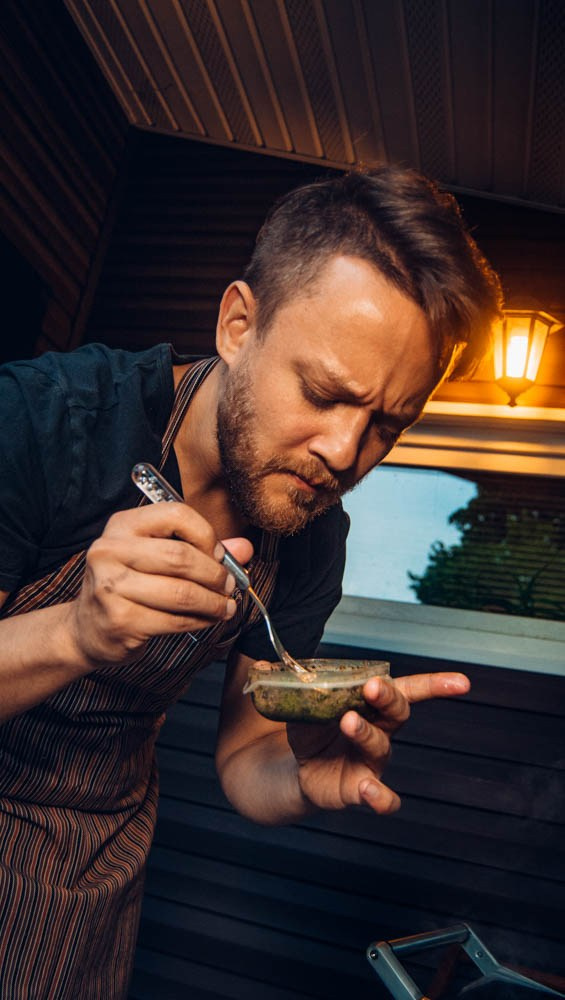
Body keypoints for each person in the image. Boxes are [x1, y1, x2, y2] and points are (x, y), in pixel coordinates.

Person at [0, 165, 502, 997]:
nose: (346, 454)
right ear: (238, 324)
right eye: (323, 392)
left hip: (88, 859)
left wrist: (301, 776)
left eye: (387, 423)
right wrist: (73, 632)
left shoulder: (310, 537)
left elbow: (243, 756)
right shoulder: (40, 419)